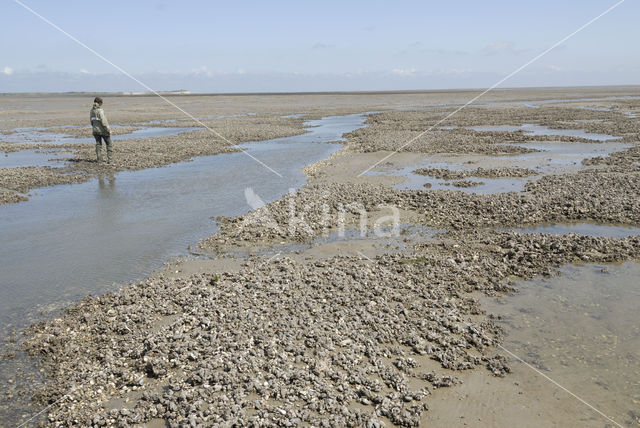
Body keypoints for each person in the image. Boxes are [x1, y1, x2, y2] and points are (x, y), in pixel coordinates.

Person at [90, 97, 112, 163]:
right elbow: (104, 121)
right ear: (100, 103)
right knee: (109, 144)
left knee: (98, 145)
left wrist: (94, 127)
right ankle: (110, 160)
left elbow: (91, 121)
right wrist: (108, 130)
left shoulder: (91, 111)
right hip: (103, 131)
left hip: (95, 130)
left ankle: (99, 160)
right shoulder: (100, 111)